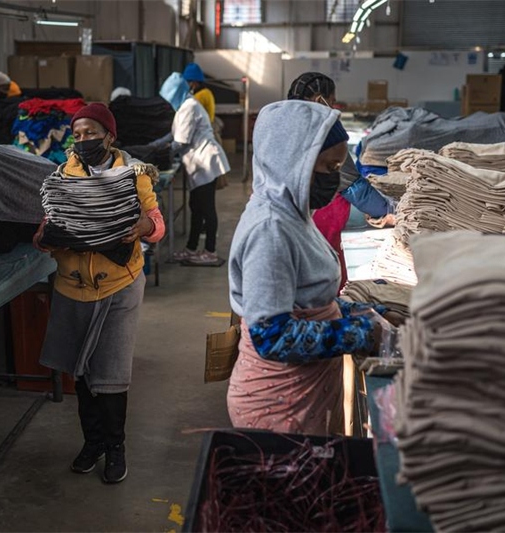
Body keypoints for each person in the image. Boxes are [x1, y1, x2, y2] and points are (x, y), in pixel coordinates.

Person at [227, 99, 399, 436]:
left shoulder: (294, 213)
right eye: (330, 169)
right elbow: (272, 336)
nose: (336, 182)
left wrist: (371, 311)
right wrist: (363, 333)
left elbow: (308, 301)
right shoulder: (270, 230)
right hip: (276, 406)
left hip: (301, 396)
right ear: (295, 162)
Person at [33, 103, 165, 484]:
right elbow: (46, 228)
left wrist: (143, 227)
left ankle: (115, 447)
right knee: (83, 374)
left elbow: (156, 224)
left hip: (119, 285)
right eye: (78, 135)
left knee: (112, 374)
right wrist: (45, 239)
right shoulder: (63, 176)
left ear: (109, 136)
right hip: (72, 287)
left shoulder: (133, 175)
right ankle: (91, 444)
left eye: (91, 133)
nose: (83, 140)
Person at [288, 72, 396, 290]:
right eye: (333, 99)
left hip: (297, 217)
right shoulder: (323, 131)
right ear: (321, 100)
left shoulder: (282, 123)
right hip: (321, 216)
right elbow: (353, 185)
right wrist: (389, 210)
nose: (334, 105)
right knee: (326, 275)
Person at [159, 72, 230, 266]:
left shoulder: (189, 107)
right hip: (199, 162)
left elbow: (181, 141)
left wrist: (161, 151)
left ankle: (210, 252)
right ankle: (191, 249)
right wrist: (156, 145)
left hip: (205, 161)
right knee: (196, 207)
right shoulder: (184, 106)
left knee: (206, 208)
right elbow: (173, 136)